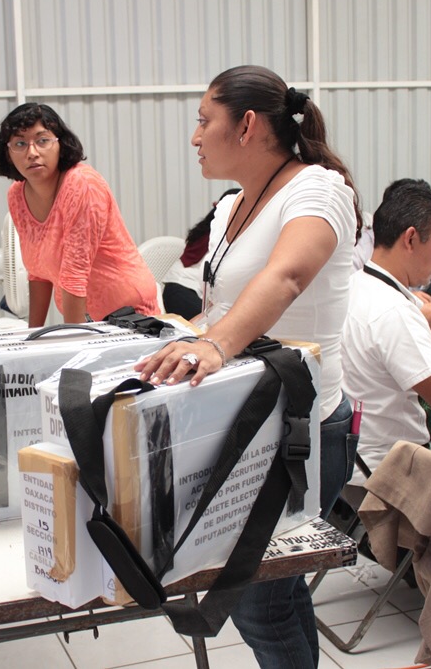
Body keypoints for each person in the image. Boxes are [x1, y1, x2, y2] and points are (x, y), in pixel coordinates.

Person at [135, 65, 360, 668]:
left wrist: (215, 346)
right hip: (247, 417)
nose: (195, 137)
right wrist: (182, 338)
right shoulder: (231, 205)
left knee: (259, 601)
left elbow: (286, 276)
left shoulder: (318, 190)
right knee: (276, 590)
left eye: (204, 121)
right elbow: (218, 304)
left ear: (248, 125)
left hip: (304, 427)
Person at [341, 179, 431, 506]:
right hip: (393, 473)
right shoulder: (394, 311)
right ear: (411, 238)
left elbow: (379, 354)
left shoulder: (354, 285)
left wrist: (430, 326)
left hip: (353, 459)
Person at [0, 103, 159, 326]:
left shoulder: (82, 184)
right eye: (20, 144)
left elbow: (75, 274)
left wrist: (74, 340)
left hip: (132, 314)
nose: (32, 153)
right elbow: (38, 274)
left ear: (60, 144)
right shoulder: (16, 195)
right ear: (8, 153)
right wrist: (31, 337)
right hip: (86, 318)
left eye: (42, 140)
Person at [162, 187, 242, 320]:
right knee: (219, 321)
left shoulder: (207, 227)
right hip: (182, 289)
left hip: (184, 290)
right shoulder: (219, 233)